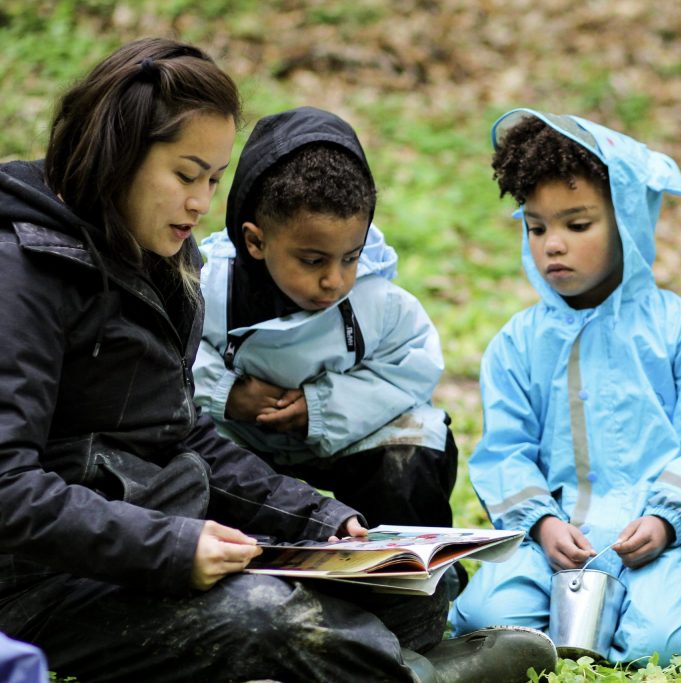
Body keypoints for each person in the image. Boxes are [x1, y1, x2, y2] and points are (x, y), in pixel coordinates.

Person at [0, 38, 555, 683]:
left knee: (413, 593)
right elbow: (7, 488)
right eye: (185, 175)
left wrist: (325, 522)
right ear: (118, 154)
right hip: (42, 583)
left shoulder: (154, 250)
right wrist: (171, 547)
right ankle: (413, 677)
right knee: (270, 618)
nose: (201, 204)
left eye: (213, 178)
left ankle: (370, 659)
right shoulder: (22, 269)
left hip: (164, 534)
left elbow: (183, 435)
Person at [449, 109, 681, 667]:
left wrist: (667, 517)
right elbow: (504, 450)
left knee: (665, 646)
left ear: (628, 222)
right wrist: (542, 522)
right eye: (537, 226)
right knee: (480, 620)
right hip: (552, 543)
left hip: (653, 537)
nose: (554, 245)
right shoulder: (518, 343)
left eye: (577, 226)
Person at [193, 106, 457, 532]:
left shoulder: (379, 303)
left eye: (350, 257)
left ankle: (405, 572)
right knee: (186, 459)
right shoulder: (211, 289)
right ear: (256, 241)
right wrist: (226, 393)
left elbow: (409, 372)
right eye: (313, 260)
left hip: (346, 435)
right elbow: (170, 357)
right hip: (242, 443)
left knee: (415, 445)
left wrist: (320, 408)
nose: (334, 280)